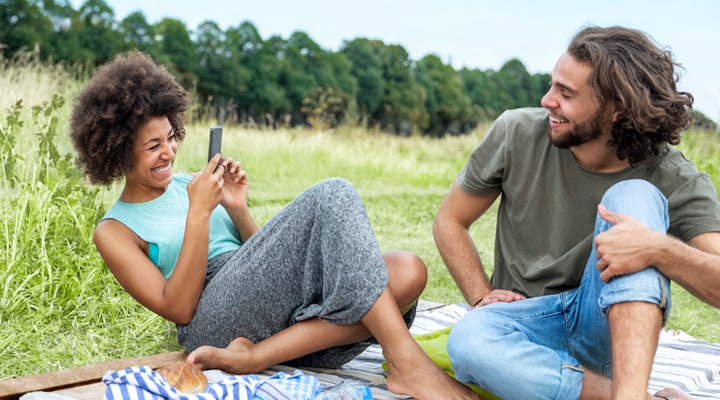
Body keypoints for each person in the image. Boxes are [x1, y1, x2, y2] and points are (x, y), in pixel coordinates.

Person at [70, 50, 479, 400]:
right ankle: (406, 360)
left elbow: (266, 263)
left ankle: (259, 355)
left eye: (171, 138)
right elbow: (178, 307)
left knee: (408, 271)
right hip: (209, 322)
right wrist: (198, 214)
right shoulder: (114, 231)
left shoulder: (189, 184)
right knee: (332, 193)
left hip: (257, 303)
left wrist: (237, 209)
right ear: (119, 153)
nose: (169, 153)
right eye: (153, 146)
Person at [433, 25, 720, 400]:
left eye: (565, 93)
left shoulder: (674, 177)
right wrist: (479, 295)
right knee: (469, 338)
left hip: (602, 330)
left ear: (617, 108)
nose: (547, 100)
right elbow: (450, 220)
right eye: (553, 85)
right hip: (523, 326)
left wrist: (659, 249)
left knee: (635, 195)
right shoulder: (515, 133)